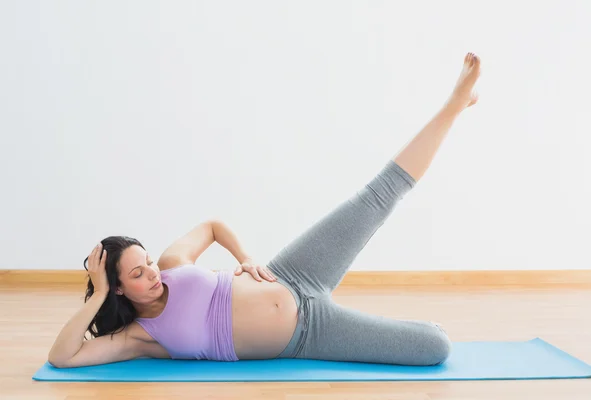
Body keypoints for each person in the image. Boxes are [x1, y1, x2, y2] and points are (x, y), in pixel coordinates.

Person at [48, 52, 481, 368]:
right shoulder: (139, 337)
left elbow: (212, 225)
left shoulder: (172, 264)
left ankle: (454, 103)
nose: (152, 273)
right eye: (137, 274)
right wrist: (98, 291)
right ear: (119, 288)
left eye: (147, 262)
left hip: (294, 272)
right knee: (436, 349)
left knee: (377, 195)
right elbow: (63, 356)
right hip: (309, 336)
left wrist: (247, 260)